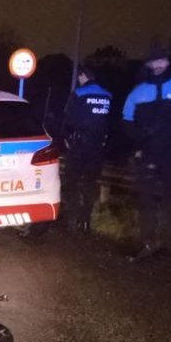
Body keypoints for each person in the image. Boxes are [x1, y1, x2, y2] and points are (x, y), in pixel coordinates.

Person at [121, 44, 171, 261]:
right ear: (148, 64)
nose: (157, 65)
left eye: (161, 61)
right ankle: (147, 243)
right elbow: (127, 121)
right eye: (153, 61)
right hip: (148, 153)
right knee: (146, 201)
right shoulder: (138, 92)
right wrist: (141, 136)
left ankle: (169, 247)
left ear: (168, 62)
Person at [61, 66, 113, 233]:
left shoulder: (79, 93)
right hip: (97, 147)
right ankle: (86, 220)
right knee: (91, 183)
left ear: (83, 76)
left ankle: (71, 219)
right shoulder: (107, 95)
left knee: (72, 182)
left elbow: (68, 119)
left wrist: (66, 138)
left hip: (78, 146)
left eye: (79, 77)